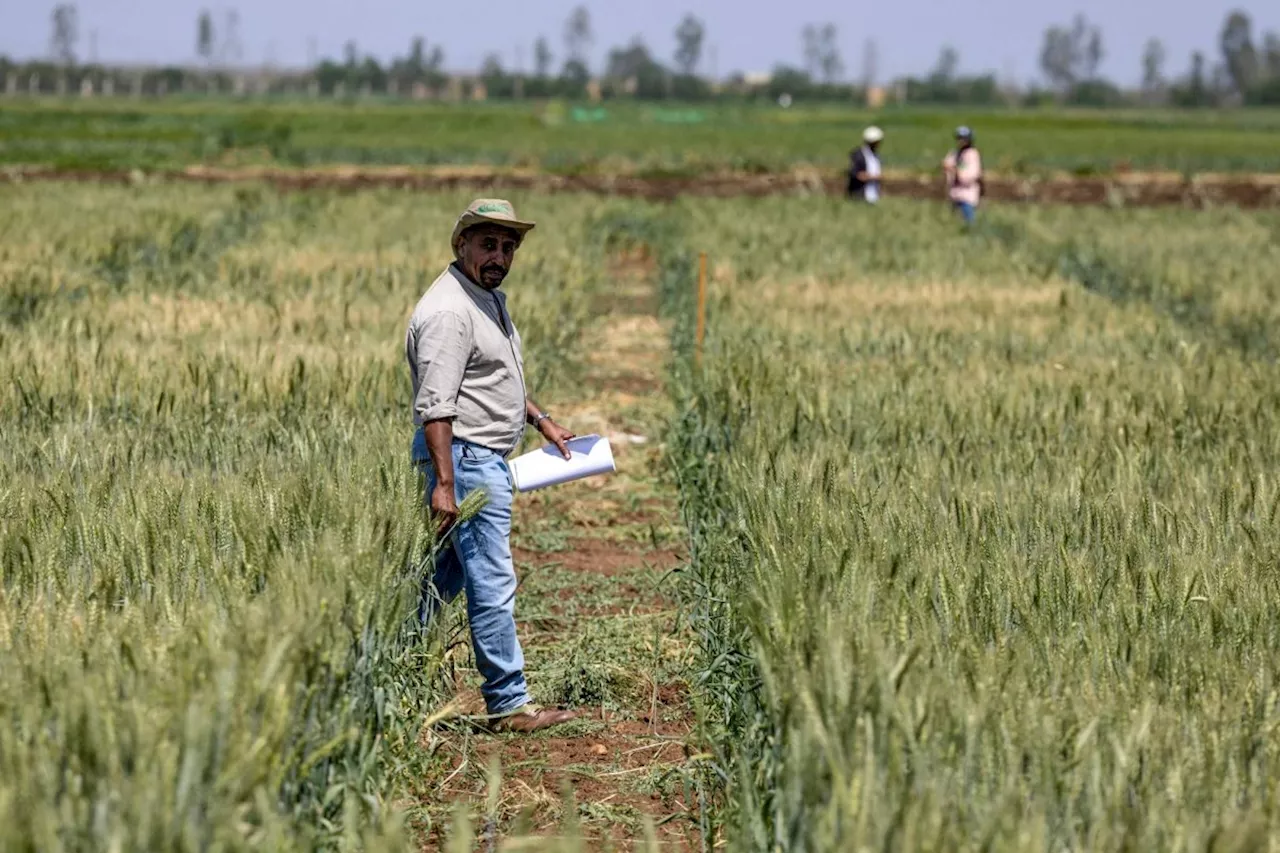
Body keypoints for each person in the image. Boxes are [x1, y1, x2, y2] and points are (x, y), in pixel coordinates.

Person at [406, 198, 580, 734]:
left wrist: (541, 420)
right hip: (464, 462)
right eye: (488, 244)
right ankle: (508, 702)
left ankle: (391, 665)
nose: (499, 254)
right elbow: (437, 405)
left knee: (440, 581)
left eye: (507, 246)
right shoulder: (449, 312)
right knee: (491, 582)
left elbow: (489, 382)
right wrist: (445, 485)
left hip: (479, 461)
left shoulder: (482, 297)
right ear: (461, 245)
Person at [942, 125, 983, 225]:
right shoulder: (954, 153)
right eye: (959, 138)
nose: (961, 141)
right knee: (954, 221)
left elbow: (972, 174)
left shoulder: (972, 155)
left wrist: (956, 171)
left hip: (967, 195)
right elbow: (947, 164)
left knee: (968, 221)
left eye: (963, 139)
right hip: (955, 194)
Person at [847, 126, 884, 203]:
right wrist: (872, 177)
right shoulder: (858, 155)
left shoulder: (875, 155)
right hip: (860, 196)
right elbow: (853, 173)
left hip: (873, 196)